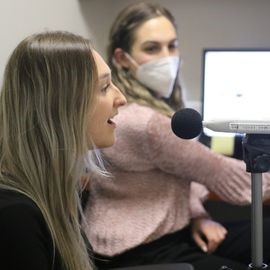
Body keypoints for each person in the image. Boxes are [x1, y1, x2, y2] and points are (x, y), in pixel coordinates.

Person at [83, 2, 270, 270]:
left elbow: (179, 174)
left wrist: (197, 215)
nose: (166, 57)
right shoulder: (148, 124)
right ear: (122, 58)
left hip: (155, 233)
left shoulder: (136, 109)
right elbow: (236, 182)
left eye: (172, 46)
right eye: (152, 48)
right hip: (143, 248)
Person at [0, 31, 126, 270]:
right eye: (105, 87)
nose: (121, 98)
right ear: (62, 105)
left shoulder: (52, 192)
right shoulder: (15, 217)